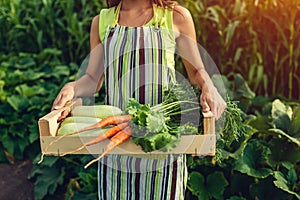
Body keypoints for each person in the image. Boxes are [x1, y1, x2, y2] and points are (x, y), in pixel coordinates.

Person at [52, 0, 226, 199]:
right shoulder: (102, 22)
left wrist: (208, 85)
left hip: (162, 140)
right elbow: (92, 80)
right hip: (116, 143)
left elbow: (196, 71)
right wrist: (72, 87)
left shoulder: (176, 16)